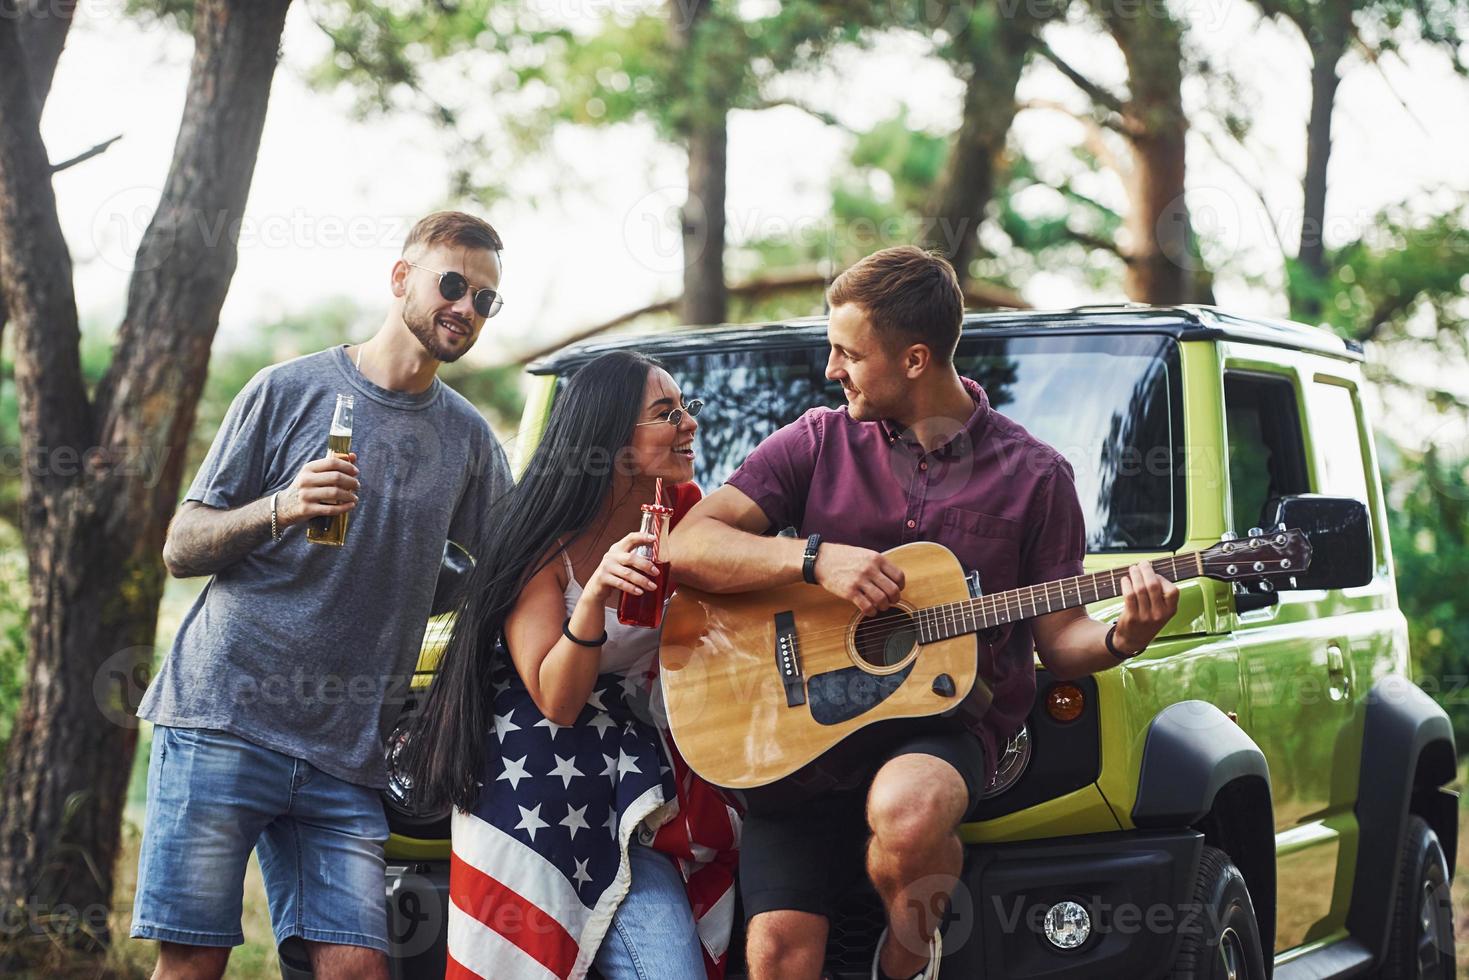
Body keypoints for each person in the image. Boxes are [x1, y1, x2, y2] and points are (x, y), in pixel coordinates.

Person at [669, 245, 1180, 980]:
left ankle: (907, 959)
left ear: (913, 360)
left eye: (846, 352)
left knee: (907, 810)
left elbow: (1061, 641)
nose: (830, 369)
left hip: (942, 728)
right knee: (780, 954)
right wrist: (814, 559)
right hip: (794, 738)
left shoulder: (1035, 477)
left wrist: (1124, 635)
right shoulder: (815, 441)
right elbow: (689, 545)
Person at [131, 211, 513, 980]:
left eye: (485, 300)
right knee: (193, 964)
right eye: (452, 285)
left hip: (347, 750)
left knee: (357, 970)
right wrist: (281, 504)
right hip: (224, 717)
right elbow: (181, 545)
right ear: (401, 278)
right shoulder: (289, 390)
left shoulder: (469, 440)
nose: (466, 309)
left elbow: (509, 569)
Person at [406, 350, 739, 980]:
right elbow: (554, 700)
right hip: (536, 793)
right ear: (611, 442)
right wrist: (592, 599)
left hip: (637, 795)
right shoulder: (538, 535)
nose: (689, 423)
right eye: (666, 413)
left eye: (685, 407)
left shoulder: (693, 515)